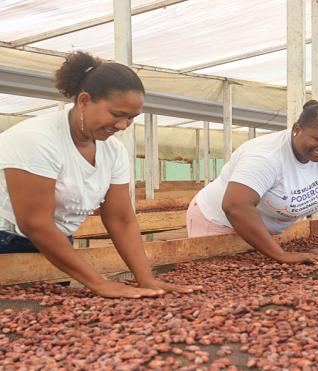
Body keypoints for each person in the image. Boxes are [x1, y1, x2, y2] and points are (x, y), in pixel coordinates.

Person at [0, 52, 200, 298]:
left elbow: (121, 219)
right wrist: (99, 283)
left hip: (57, 245)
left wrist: (146, 279)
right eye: (117, 115)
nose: (123, 126)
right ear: (84, 100)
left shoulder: (112, 150)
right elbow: (35, 223)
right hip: (7, 243)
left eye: (131, 118)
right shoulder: (37, 140)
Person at [187, 100, 318, 262]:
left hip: (263, 231)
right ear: (297, 129)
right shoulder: (265, 156)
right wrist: (281, 255)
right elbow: (236, 206)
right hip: (218, 223)